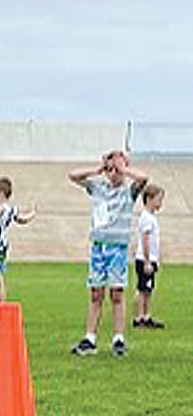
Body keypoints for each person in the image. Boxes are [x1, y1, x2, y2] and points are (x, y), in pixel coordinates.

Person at [68, 149, 150, 356]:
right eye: (112, 168)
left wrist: (125, 169)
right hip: (99, 247)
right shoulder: (97, 187)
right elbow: (73, 175)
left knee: (117, 293)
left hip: (118, 248)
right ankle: (90, 338)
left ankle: (118, 338)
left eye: (119, 169)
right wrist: (98, 169)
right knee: (96, 293)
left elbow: (144, 178)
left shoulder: (128, 191)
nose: (115, 173)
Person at [0, 177, 35, 316]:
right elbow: (21, 219)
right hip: (2, 249)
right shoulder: (12, 210)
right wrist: (31, 215)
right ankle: (1, 306)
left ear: (0, 194)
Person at [133, 183, 165, 330]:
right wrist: (146, 261)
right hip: (144, 259)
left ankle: (146, 316)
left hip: (151, 260)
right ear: (150, 199)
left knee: (148, 289)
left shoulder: (151, 217)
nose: (160, 203)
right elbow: (145, 240)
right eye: (159, 199)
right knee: (142, 289)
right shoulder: (146, 218)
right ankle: (138, 317)